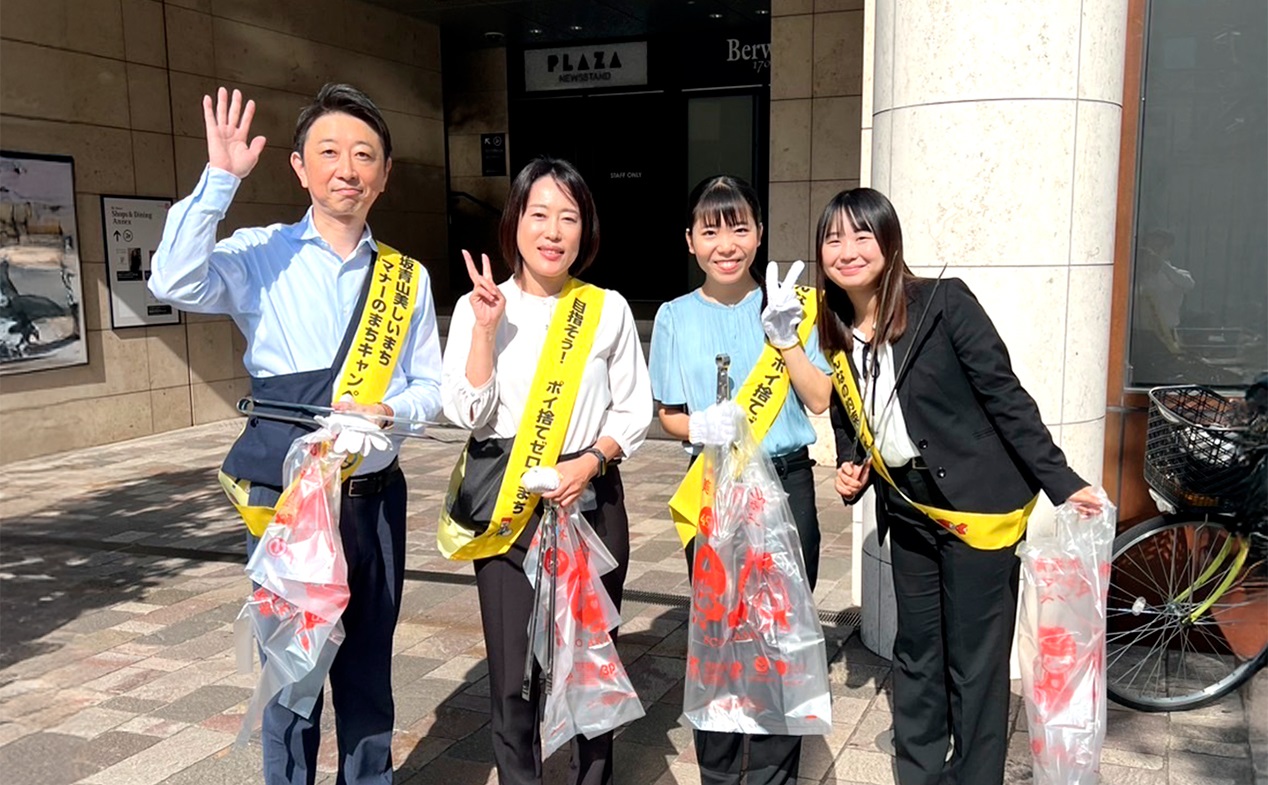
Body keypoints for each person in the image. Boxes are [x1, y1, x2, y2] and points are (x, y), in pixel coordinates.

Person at [149, 84, 443, 785]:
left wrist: (391, 410)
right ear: (299, 167)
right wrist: (219, 180)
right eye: (329, 152)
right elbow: (173, 280)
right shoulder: (261, 253)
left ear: (385, 174)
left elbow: (431, 388)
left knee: (368, 670)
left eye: (365, 155)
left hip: (372, 499)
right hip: (289, 501)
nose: (348, 169)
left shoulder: (407, 278)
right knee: (290, 676)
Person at [816, 187, 1102, 785]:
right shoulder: (836, 325)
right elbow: (849, 411)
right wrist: (850, 462)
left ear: (890, 242)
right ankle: (920, 772)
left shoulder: (942, 303)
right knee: (917, 650)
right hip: (908, 510)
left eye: (862, 235)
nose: (847, 251)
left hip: (977, 509)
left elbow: (1003, 394)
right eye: (833, 238)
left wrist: (1061, 479)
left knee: (976, 662)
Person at [438, 155, 652, 785]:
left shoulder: (606, 308)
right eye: (539, 214)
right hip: (509, 508)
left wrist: (590, 461)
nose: (553, 231)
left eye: (569, 217)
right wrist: (484, 330)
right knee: (513, 676)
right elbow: (468, 412)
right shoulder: (482, 305)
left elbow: (633, 410)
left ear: (585, 231)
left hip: (589, 502)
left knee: (590, 666)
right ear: (515, 222)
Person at [648, 175, 832, 785]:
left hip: (787, 484)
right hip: (713, 486)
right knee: (719, 632)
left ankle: (775, 773)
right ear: (690, 241)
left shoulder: (791, 306)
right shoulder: (673, 317)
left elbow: (819, 398)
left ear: (758, 234)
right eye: (710, 231)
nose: (725, 244)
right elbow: (669, 414)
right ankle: (721, 774)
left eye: (739, 228)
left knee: (782, 631)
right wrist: (697, 424)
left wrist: (787, 339)